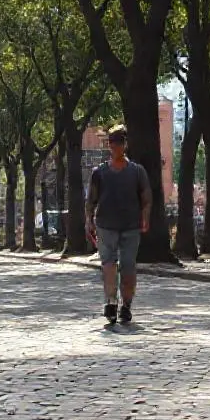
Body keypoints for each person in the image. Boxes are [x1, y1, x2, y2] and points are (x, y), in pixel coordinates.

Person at [85, 124, 151, 324]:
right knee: (109, 264)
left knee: (129, 267)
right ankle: (111, 302)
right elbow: (91, 200)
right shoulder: (100, 173)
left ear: (125, 145)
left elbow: (146, 197)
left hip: (131, 226)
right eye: (113, 142)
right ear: (109, 145)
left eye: (120, 142)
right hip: (106, 225)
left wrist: (145, 217)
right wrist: (89, 221)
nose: (116, 146)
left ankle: (127, 305)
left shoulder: (137, 172)